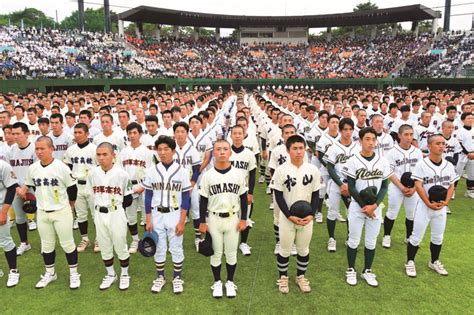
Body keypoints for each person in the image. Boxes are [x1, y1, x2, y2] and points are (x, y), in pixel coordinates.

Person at [20, 136, 80, 289]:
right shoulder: (33, 168)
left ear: (51, 149)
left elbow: (73, 189)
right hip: (42, 212)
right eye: (37, 149)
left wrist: (71, 207)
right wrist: (23, 191)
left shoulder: (61, 167)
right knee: (46, 246)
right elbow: (28, 184)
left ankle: (74, 273)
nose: (39, 152)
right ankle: (50, 273)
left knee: (67, 244)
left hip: (61, 211)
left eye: (42, 148)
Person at [134, 136, 191, 294]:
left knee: (176, 247)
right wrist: (148, 219)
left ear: (173, 151)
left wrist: (182, 221)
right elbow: (148, 196)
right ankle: (160, 277)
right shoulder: (152, 171)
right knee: (159, 247)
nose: (163, 152)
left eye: (166, 149)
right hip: (156, 213)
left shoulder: (182, 171)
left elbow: (186, 198)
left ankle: (177, 278)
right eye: (160, 149)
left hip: (175, 213)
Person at [270, 134, 321, 294]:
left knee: (303, 249)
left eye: (301, 148)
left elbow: (315, 194)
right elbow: (278, 195)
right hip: (287, 218)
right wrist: (288, 215)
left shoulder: (312, 169)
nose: (299, 152)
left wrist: (312, 214)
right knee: (284, 250)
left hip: (307, 218)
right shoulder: (281, 170)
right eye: (295, 149)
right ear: (288, 150)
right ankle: (283, 277)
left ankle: (300, 277)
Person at [342, 127, 392, 287]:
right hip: (357, 206)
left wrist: (375, 206)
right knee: (354, 240)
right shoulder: (353, 160)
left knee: (371, 242)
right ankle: (351, 269)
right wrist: (365, 207)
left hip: (376, 208)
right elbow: (351, 187)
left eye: (373, 139)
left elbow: (385, 186)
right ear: (360, 141)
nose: (371, 142)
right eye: (367, 139)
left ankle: (367, 271)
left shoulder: (382, 161)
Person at [199, 139, 248, 298]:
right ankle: (217, 282)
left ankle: (230, 281)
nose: (221, 152)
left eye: (225, 149)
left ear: (230, 152)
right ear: (213, 152)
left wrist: (244, 219)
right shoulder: (208, 176)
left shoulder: (238, 174)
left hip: (233, 218)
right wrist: (201, 222)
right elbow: (203, 200)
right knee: (216, 253)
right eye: (218, 149)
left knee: (232, 252)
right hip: (214, 218)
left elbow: (243, 197)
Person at [405, 134, 458, 278]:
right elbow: (419, 185)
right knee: (416, 237)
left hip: (441, 208)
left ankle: (434, 261)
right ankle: (410, 261)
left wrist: (446, 202)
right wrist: (428, 203)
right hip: (424, 207)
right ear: (429, 146)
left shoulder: (448, 165)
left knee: (438, 237)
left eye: (443, 143)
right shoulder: (422, 164)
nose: (441, 146)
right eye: (438, 143)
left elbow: (452, 185)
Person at [89, 142, 133, 290]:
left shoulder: (122, 174)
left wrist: (116, 208)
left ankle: (125, 274)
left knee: (120, 243)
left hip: (116, 212)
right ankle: (111, 274)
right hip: (99, 213)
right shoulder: (93, 173)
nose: (101, 158)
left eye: (105, 154)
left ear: (113, 155)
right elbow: (92, 193)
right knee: (104, 245)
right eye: (98, 155)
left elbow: (128, 198)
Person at [382, 125, 423, 248]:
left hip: (413, 188)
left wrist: (415, 188)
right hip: (396, 186)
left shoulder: (417, 152)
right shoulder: (392, 152)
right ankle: (387, 236)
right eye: (406, 134)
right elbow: (390, 172)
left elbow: (421, 172)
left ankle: (409, 236)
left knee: (411, 214)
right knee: (392, 212)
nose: (409, 137)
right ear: (399, 135)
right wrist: (401, 187)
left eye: (411, 134)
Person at [117, 123, 154, 254]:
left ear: (140, 134)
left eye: (134, 133)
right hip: (129, 186)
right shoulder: (123, 152)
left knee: (146, 215)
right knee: (130, 216)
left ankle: (146, 240)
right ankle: (135, 240)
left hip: (144, 185)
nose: (132, 136)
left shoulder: (147, 152)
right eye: (130, 133)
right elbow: (119, 172)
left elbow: (151, 172)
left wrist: (144, 186)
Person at [324, 118, 358, 252]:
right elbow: (330, 168)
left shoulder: (357, 147)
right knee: (332, 212)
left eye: (350, 129)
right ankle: (331, 238)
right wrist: (340, 184)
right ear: (340, 130)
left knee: (352, 212)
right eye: (345, 129)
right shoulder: (334, 147)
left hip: (352, 185)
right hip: (336, 184)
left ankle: (350, 236)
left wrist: (350, 185)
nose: (348, 132)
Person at [63, 123, 98, 252]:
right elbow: (67, 168)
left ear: (87, 134)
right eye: (75, 132)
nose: (77, 135)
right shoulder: (70, 150)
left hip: (92, 184)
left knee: (96, 214)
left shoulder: (95, 149)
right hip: (77, 184)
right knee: (81, 215)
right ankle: (85, 239)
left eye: (80, 132)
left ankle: (98, 239)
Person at [8, 122, 36, 254]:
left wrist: (26, 187)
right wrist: (18, 188)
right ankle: (24, 243)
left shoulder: (35, 149)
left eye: (18, 133)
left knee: (41, 217)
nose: (15, 136)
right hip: (17, 189)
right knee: (20, 218)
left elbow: (37, 171)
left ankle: (46, 244)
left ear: (26, 134)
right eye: (13, 134)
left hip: (33, 187)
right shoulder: (11, 150)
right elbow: (9, 172)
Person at [229, 125, 256, 256]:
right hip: (228, 191)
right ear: (231, 135)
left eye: (240, 133)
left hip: (243, 191)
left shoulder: (249, 154)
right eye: (235, 133)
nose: (237, 136)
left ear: (244, 135)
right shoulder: (226, 151)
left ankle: (243, 243)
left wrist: (250, 192)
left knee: (244, 217)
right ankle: (230, 243)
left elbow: (252, 174)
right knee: (228, 218)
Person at [0, 159, 20, 287]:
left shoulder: (3, 166)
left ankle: (13, 270)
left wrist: (3, 212)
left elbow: (12, 188)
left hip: (1, 207)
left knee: (5, 240)